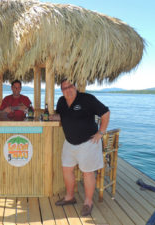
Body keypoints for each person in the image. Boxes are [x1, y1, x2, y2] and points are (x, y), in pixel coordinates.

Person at [50, 79, 110, 216]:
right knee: (66, 169)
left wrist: (100, 133)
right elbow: (63, 115)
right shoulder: (61, 101)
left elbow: (106, 113)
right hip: (69, 142)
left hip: (88, 143)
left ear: (75, 86)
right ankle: (69, 197)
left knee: (87, 173)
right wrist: (53, 117)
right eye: (64, 88)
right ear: (62, 91)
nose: (68, 89)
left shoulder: (87, 99)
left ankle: (88, 202)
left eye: (70, 86)